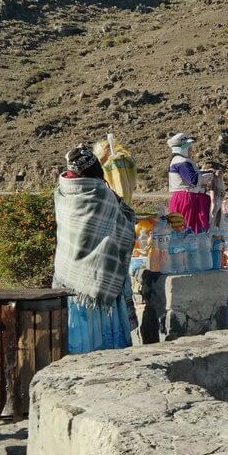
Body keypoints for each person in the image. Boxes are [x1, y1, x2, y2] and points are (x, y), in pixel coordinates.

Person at [53, 145, 135, 354]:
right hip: (97, 273)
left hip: (68, 272)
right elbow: (122, 222)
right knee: (101, 326)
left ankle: (76, 355)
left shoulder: (63, 191)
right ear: (95, 168)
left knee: (77, 323)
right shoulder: (100, 193)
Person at [167, 132, 212, 233]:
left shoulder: (179, 161)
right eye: (189, 147)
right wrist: (210, 176)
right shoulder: (182, 162)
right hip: (186, 199)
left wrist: (206, 173)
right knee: (188, 228)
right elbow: (194, 180)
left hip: (184, 197)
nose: (191, 150)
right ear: (183, 148)